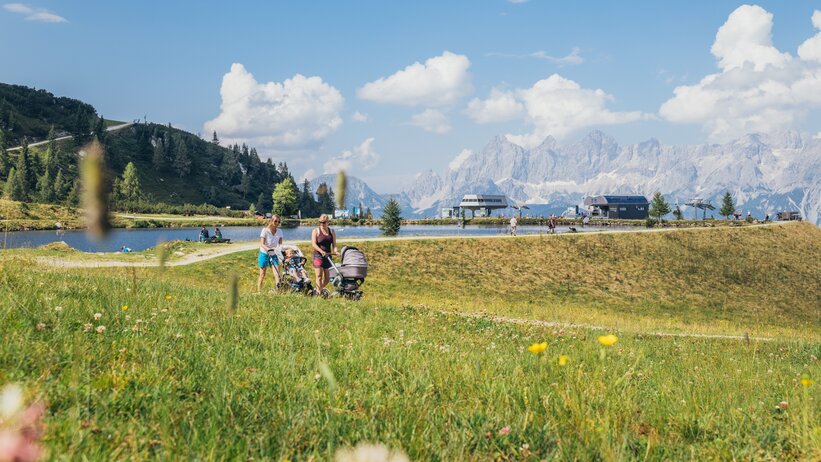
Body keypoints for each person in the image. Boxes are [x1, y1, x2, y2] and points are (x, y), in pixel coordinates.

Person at [311, 214, 337, 294]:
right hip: (318, 256)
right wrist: (321, 251)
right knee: (319, 276)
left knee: (327, 278)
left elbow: (334, 244)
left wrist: (336, 251)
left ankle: (317, 290)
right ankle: (318, 293)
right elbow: (314, 244)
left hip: (328, 256)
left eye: (324, 222)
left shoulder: (331, 231)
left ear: (328, 222)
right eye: (320, 222)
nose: (321, 224)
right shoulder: (316, 231)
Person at [257, 215, 284, 292]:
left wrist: (281, 254)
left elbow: (280, 244)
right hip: (264, 253)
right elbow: (262, 244)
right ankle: (259, 292)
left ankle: (279, 291)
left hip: (274, 254)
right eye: (275, 221)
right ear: (271, 221)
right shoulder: (265, 230)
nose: (277, 223)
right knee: (262, 274)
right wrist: (269, 249)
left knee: (277, 274)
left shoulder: (280, 231)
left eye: (279, 221)